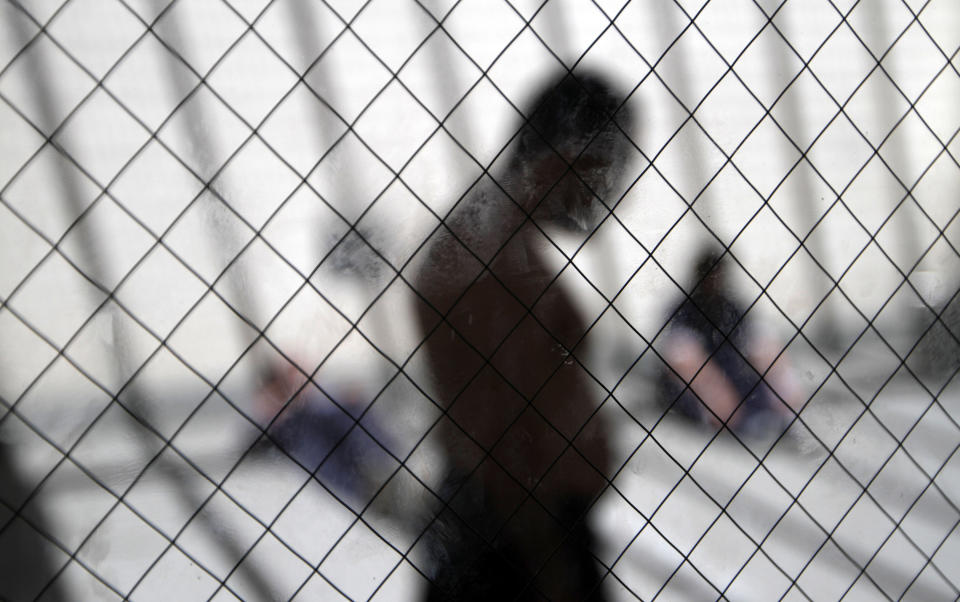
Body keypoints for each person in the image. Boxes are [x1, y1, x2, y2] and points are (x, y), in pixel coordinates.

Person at [412, 69, 635, 601]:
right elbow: (503, 447)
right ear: (569, 155)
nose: (617, 187)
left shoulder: (491, 237)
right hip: (519, 548)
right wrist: (552, 569)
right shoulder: (494, 260)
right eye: (611, 165)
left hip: (515, 537)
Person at [658, 248, 800, 438]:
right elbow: (679, 354)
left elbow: (758, 340)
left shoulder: (732, 307)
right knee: (688, 360)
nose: (715, 280)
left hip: (737, 380)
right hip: (703, 394)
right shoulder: (683, 310)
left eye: (719, 274)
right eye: (711, 274)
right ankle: (735, 421)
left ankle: (779, 415)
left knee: (765, 348)